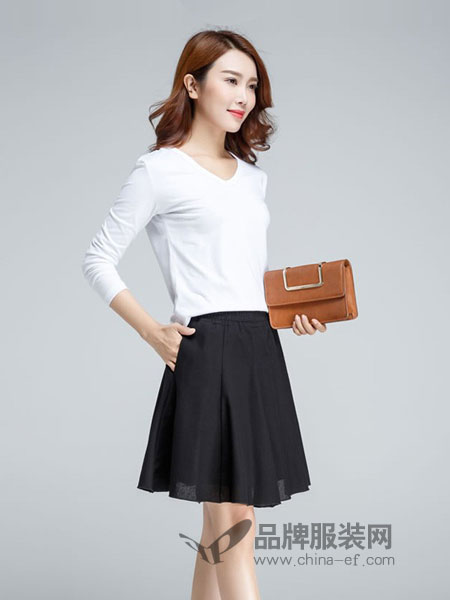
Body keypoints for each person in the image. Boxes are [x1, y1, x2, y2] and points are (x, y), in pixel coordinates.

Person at [81, 28, 327, 600]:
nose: (244, 96)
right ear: (193, 86)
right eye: (231, 80)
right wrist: (151, 331)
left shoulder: (254, 180)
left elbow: (239, 274)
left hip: (259, 344)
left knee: (222, 524)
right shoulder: (159, 170)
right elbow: (97, 258)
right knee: (235, 520)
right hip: (208, 347)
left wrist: (291, 314)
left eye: (252, 85)